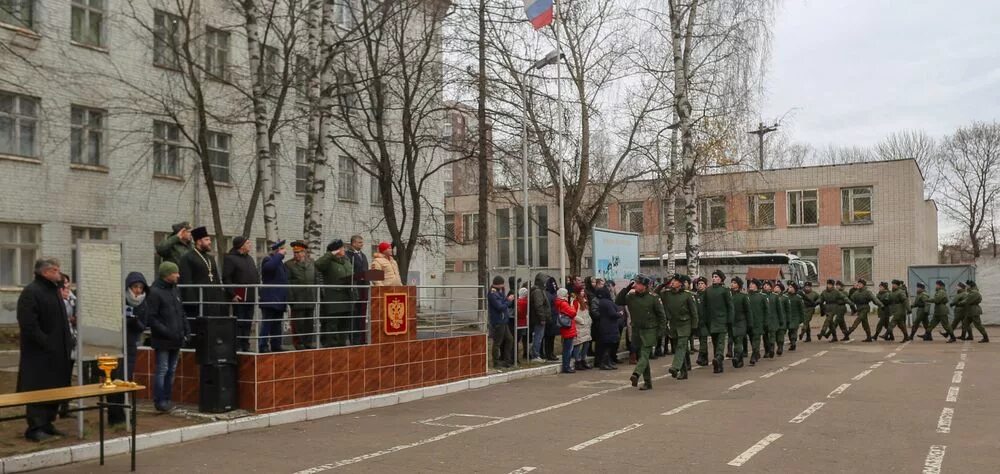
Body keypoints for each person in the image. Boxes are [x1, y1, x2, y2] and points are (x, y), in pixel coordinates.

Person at [16, 258, 73, 441]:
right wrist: (46, 342)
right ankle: (35, 428)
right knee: (38, 388)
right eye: (56, 270)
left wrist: (67, 340)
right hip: (39, 355)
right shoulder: (31, 292)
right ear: (45, 272)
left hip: (58, 352)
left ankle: (48, 423)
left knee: (54, 388)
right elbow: (28, 324)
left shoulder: (54, 291)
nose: (59, 273)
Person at [147, 261, 190, 413]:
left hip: (176, 338)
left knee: (171, 370)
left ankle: (167, 398)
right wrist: (167, 331)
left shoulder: (174, 290)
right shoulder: (154, 292)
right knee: (162, 369)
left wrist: (186, 329)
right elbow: (151, 318)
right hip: (163, 339)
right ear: (167, 275)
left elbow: (181, 312)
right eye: (175, 273)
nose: (178, 275)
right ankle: (160, 400)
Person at [109, 272, 149, 426]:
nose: (138, 290)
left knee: (126, 379)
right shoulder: (120, 300)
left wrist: (134, 321)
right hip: (117, 343)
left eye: (140, 287)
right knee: (113, 379)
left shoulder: (143, 303)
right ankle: (114, 415)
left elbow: (143, 326)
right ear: (128, 287)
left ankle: (126, 413)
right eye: (135, 287)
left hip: (131, 344)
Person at [616, 274, 666, 391]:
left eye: (638, 284)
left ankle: (636, 374)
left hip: (650, 330)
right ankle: (648, 382)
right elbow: (618, 301)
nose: (636, 286)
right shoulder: (631, 297)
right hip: (637, 330)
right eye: (635, 283)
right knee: (642, 356)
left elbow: (661, 316)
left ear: (644, 286)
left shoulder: (653, 297)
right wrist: (628, 288)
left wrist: (661, 331)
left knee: (644, 354)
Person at [178, 226, 225, 319]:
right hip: (198, 301)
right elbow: (186, 281)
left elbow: (216, 279)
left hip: (213, 301)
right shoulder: (187, 258)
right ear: (199, 241)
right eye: (207, 240)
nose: (210, 242)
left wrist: (220, 299)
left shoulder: (210, 258)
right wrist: (192, 302)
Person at [315, 239, 355, 347]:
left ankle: (342, 346)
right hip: (333, 299)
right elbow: (318, 265)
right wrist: (330, 254)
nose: (344, 250)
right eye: (342, 248)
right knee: (332, 326)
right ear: (336, 250)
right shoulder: (328, 261)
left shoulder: (346, 261)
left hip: (346, 298)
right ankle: (331, 347)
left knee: (344, 326)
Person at [223, 236, 259, 352]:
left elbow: (255, 275)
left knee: (248, 321)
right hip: (239, 296)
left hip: (251, 295)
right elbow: (226, 278)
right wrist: (232, 294)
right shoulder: (230, 259)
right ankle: (238, 345)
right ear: (241, 245)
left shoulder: (249, 258)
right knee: (240, 321)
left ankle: (246, 343)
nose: (250, 245)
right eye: (248, 243)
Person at [663, 275, 698, 379]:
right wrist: (664, 284)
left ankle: (675, 367)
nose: (672, 282)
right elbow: (655, 293)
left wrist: (694, 327)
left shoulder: (687, 295)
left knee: (681, 346)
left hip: (685, 324)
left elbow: (694, 312)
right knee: (679, 348)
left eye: (675, 281)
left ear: (681, 283)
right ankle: (683, 371)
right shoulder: (667, 294)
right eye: (672, 281)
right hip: (673, 325)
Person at [286, 241, 318, 350]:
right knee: (298, 322)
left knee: (309, 321)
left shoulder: (312, 263)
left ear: (304, 252)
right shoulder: (289, 264)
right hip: (297, 298)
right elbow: (287, 283)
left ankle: (308, 342)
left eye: (298, 252)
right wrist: (291, 298)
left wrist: (318, 293)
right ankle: (298, 343)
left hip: (310, 297)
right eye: (295, 252)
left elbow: (317, 278)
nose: (296, 254)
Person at [259, 240, 289, 353]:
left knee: (277, 324)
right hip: (270, 298)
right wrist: (279, 255)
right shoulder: (268, 259)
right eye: (283, 249)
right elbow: (269, 268)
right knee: (267, 323)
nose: (285, 251)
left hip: (279, 299)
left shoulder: (279, 263)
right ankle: (263, 345)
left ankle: (276, 345)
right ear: (278, 250)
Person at [701, 270, 733, 374]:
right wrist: (704, 320)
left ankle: (719, 357)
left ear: (721, 279)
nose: (714, 278)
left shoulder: (725, 290)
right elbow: (704, 307)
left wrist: (729, 320)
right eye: (713, 276)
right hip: (711, 321)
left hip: (722, 320)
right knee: (715, 342)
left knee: (720, 341)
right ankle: (718, 365)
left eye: (716, 277)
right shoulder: (708, 291)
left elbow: (730, 306)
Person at [346, 235, 370, 345]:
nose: (362, 244)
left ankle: (362, 337)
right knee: (354, 314)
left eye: (362, 242)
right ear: (353, 243)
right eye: (359, 242)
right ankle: (354, 338)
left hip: (364, 288)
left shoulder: (363, 256)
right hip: (355, 289)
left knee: (362, 314)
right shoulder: (348, 255)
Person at [487, 276, 514, 368]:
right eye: (502, 284)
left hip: (503, 320)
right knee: (497, 342)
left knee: (509, 339)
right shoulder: (492, 294)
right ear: (499, 284)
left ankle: (506, 360)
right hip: (498, 320)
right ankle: (496, 362)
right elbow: (500, 307)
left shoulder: (499, 292)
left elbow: (503, 301)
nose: (504, 285)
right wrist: (509, 301)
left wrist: (506, 298)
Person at [593, 287, 622, 370]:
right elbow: (612, 314)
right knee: (608, 346)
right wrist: (620, 314)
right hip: (609, 326)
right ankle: (604, 363)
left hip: (605, 325)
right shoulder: (607, 302)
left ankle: (607, 362)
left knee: (607, 346)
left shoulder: (601, 302)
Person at [528, 273, 553, 362]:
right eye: (545, 281)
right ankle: (535, 355)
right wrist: (542, 318)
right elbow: (539, 306)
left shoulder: (539, 290)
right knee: (538, 337)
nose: (546, 283)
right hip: (538, 319)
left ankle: (535, 353)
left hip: (539, 319)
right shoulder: (537, 291)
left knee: (539, 337)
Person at [554, 288, 578, 374]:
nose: (568, 295)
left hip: (566, 327)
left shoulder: (559, 302)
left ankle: (566, 365)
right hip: (568, 328)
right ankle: (566, 366)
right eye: (566, 294)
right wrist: (572, 304)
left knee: (567, 348)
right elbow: (573, 313)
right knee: (568, 349)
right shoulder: (564, 303)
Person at [746, 280, 767, 366]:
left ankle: (754, 356)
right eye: (750, 284)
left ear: (757, 286)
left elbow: (766, 310)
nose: (751, 285)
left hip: (758, 322)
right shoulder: (746, 296)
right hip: (749, 322)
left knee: (756, 339)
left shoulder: (762, 297)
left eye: (753, 284)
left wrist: (765, 322)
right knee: (751, 338)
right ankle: (757, 352)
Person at [572, 289, 593, 371]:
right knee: (578, 343)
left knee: (586, 343)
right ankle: (577, 361)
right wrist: (582, 321)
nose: (583, 293)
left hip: (586, 327)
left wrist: (589, 321)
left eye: (583, 291)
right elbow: (573, 314)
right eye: (581, 291)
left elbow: (587, 313)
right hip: (580, 326)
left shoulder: (585, 301)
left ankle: (583, 359)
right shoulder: (575, 302)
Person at [693, 277, 710, 367]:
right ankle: (705, 359)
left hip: (705, 320)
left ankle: (700, 356)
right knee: (701, 339)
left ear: (706, 285)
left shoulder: (707, 295)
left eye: (702, 283)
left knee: (703, 339)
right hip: (698, 321)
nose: (700, 285)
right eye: (699, 284)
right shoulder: (695, 295)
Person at [543, 276, 560, 362]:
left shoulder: (554, 293)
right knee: (548, 337)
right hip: (550, 318)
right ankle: (548, 353)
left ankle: (551, 352)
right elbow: (548, 307)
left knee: (552, 337)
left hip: (554, 317)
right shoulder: (547, 294)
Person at [785, 283, 804, 352]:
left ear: (794, 289)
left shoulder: (798, 298)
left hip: (796, 317)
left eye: (791, 287)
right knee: (790, 330)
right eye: (789, 287)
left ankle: (793, 342)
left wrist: (802, 319)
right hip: (788, 317)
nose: (789, 288)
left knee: (794, 330)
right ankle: (792, 341)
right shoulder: (786, 297)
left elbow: (801, 309)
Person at [515, 287, 529, 361]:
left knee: (517, 340)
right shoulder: (525, 302)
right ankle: (524, 354)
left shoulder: (517, 301)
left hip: (519, 322)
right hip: (523, 322)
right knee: (522, 339)